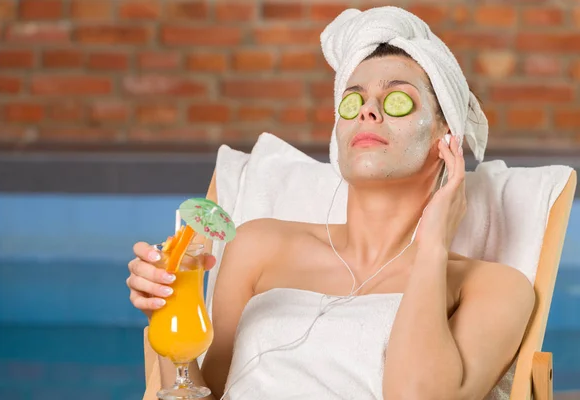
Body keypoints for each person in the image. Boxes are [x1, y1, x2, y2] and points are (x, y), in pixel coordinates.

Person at [127, 6, 534, 400]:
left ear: (447, 137)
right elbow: (209, 395)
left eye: (397, 100)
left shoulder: (493, 288)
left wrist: (433, 250)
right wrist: (167, 315)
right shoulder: (257, 246)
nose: (368, 111)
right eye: (352, 101)